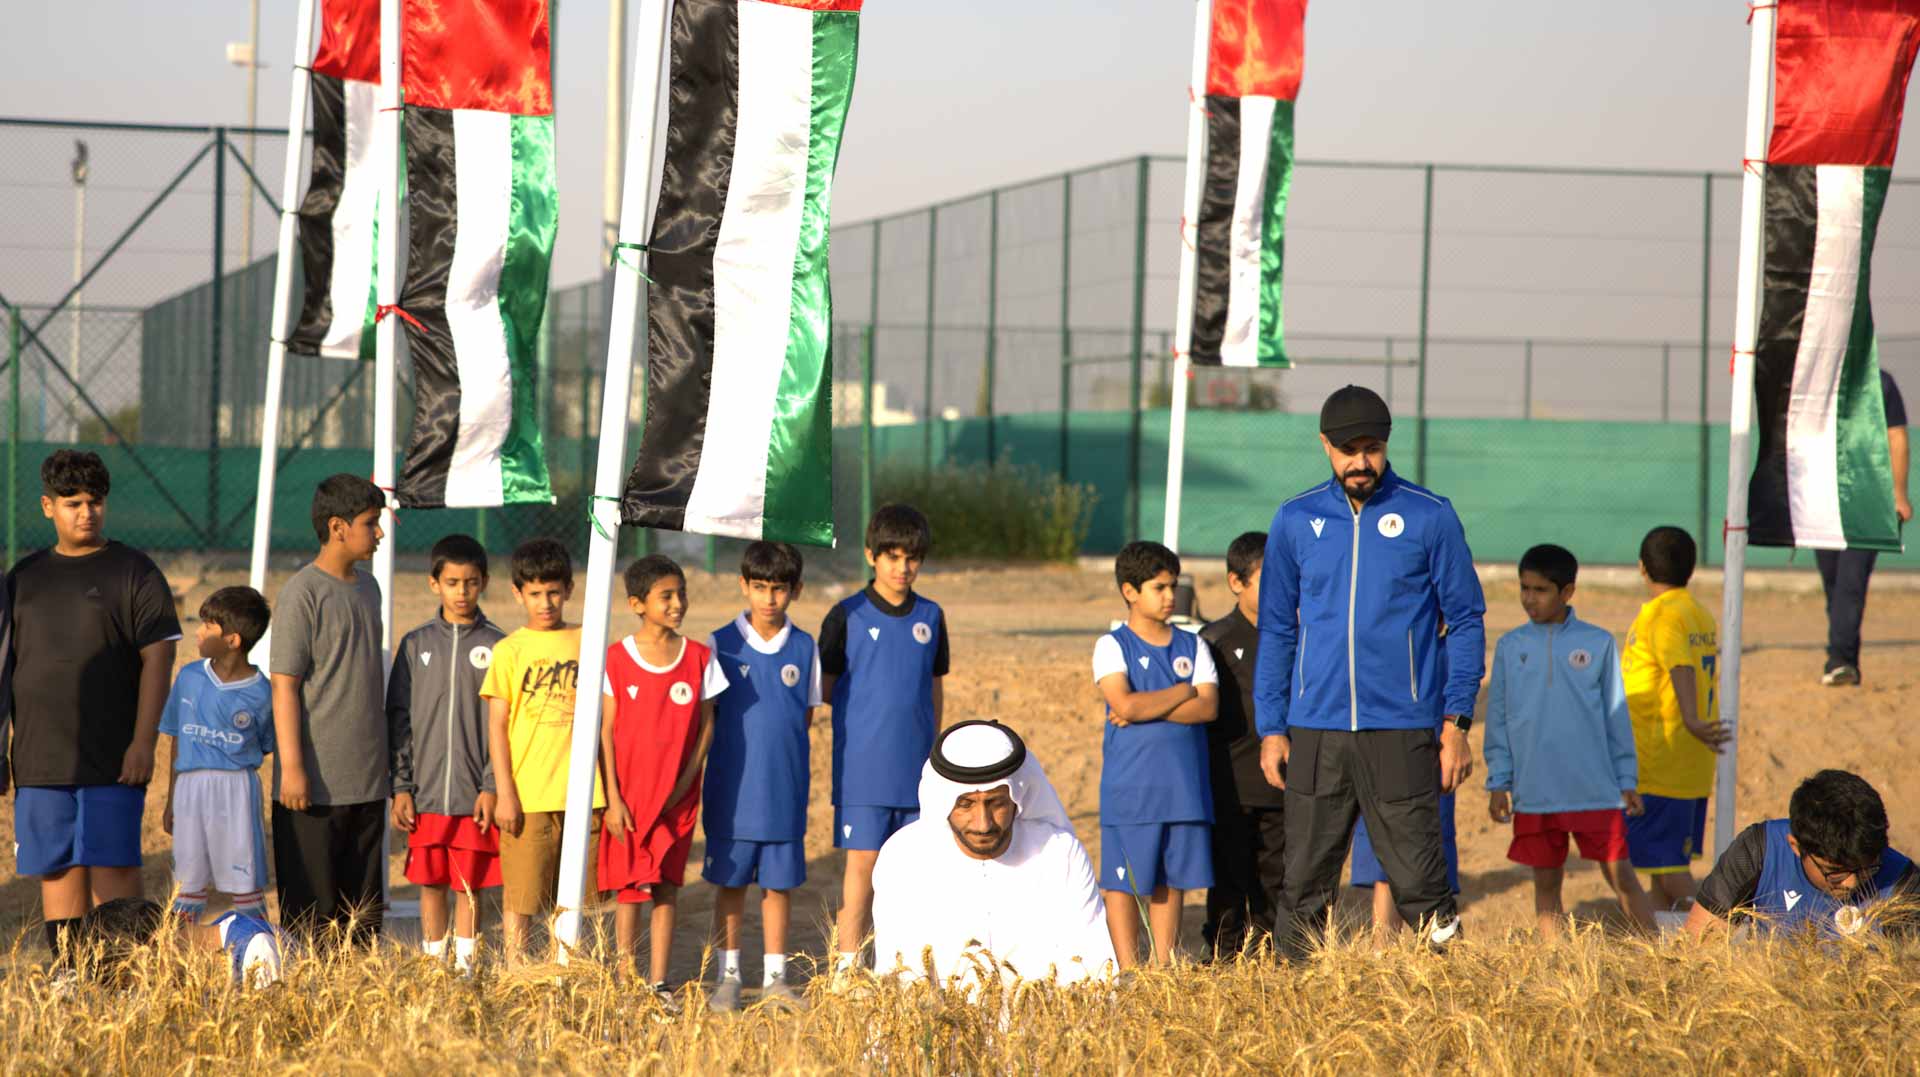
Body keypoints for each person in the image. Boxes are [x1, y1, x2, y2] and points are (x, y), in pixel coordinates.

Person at [1254, 385, 1486, 959]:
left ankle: (1456, 995)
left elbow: (1466, 620)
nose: (1360, 462)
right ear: (1324, 446)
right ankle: (1291, 1010)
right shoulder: (1294, 519)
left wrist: (1455, 724)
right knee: (1303, 884)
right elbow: (1278, 629)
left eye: (1372, 448)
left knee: (1422, 885)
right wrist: (1272, 727)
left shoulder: (1429, 516)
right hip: (1316, 731)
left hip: (1401, 730)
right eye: (1347, 449)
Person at [5, 450, 181, 969]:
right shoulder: (24, 578)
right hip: (40, 757)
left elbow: (159, 659)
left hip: (113, 755)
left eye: (96, 501)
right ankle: (69, 974)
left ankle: (126, 971)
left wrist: (143, 742)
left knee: (115, 867)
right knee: (56, 870)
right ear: (46, 506)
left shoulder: (135, 571)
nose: (87, 512)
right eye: (73, 502)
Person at [1483, 545, 1655, 936]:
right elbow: (1498, 721)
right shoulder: (1510, 647)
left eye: (1541, 590)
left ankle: (1661, 958)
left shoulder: (1597, 644)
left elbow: (1616, 716)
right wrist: (1499, 782)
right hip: (1536, 792)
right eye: (1524, 588)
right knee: (1546, 887)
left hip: (1593, 790)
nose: (1529, 598)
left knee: (1622, 878)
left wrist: (1626, 779)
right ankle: (1555, 972)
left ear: (1568, 592)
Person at [872, 720, 1115, 990]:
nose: (983, 823)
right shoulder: (904, 858)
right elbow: (901, 980)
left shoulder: (1060, 853)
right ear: (944, 801)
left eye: (996, 803)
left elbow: (1090, 968)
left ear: (1017, 798)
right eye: (965, 804)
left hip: (1047, 1027)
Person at [820, 503, 949, 973]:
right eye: (893, 556)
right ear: (872, 556)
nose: (903, 567)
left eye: (912, 557)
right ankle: (846, 969)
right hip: (863, 772)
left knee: (912, 873)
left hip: (915, 772)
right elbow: (828, 686)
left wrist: (932, 751)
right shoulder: (846, 614)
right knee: (863, 871)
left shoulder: (932, 617)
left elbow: (933, 688)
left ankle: (906, 965)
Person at [599, 554, 727, 1002]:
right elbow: (605, 732)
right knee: (630, 890)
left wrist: (686, 780)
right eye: (666, 596)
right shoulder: (616, 658)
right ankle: (622, 980)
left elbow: (707, 724)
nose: (677, 604)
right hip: (629, 801)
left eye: (681, 594)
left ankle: (658, 983)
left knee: (667, 887)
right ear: (637, 603)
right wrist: (613, 799)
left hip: (679, 800)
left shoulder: (699, 657)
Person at [703, 541, 823, 1010]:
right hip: (731, 791)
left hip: (783, 790)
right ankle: (728, 976)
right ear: (743, 586)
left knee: (779, 885)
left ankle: (776, 978)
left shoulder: (804, 645)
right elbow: (708, 717)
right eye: (759, 587)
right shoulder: (721, 643)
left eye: (778, 589)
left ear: (795, 590)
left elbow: (804, 717)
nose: (769, 598)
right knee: (730, 884)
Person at [270, 474, 389, 945]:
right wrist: (293, 770)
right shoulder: (303, 593)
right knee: (312, 923)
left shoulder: (370, 589)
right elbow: (284, 688)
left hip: (366, 782)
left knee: (360, 922)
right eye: (371, 523)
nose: (379, 533)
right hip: (314, 789)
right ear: (338, 527)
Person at [1095, 541, 1218, 968]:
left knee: (1171, 880)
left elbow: (1208, 707)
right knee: (1125, 882)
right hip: (1132, 788)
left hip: (1183, 788)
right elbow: (1124, 705)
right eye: (1159, 588)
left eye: (1173, 586)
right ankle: (1129, 968)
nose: (1170, 597)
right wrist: (1182, 692)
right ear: (1130, 591)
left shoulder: (1194, 645)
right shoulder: (1111, 646)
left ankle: (1162, 966)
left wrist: (1150, 704)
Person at [387, 534, 506, 972]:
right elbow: (399, 720)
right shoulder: (416, 644)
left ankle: (466, 969)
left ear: (484, 583)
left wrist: (491, 786)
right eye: (452, 582)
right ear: (434, 583)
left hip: (474, 793)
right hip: (426, 794)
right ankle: (435, 965)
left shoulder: (499, 645)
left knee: (468, 884)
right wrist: (401, 786)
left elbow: (505, 727)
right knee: (431, 881)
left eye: (471, 582)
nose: (462, 592)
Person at [482, 538, 601, 965]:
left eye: (553, 591)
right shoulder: (509, 650)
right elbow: (497, 726)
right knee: (523, 891)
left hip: (584, 793)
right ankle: (517, 966)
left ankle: (562, 964)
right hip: (528, 795)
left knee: (572, 893)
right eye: (535, 593)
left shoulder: (589, 639)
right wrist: (506, 792)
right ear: (518, 594)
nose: (545, 602)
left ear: (569, 589)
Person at [1623, 526, 1727, 911]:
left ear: (1642, 568)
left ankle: (1717, 928)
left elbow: (1680, 666)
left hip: (1662, 760)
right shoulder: (1697, 612)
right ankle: (1662, 937)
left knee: (1669, 871)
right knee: (1661, 865)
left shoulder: (1661, 616)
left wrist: (1691, 718)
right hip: (1689, 760)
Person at [1686, 769, 1918, 939]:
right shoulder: (1758, 850)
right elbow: (1695, 954)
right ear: (1796, 847)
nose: (1851, 882)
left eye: (1868, 867)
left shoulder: (1904, 883)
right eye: (1835, 873)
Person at [162, 586, 275, 924]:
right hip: (189, 789)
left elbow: (265, 744)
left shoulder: (261, 691)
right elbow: (176, 739)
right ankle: (178, 960)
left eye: (208, 625)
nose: (197, 631)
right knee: (187, 884)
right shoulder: (190, 677)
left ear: (232, 640)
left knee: (245, 885)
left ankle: (258, 952)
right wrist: (171, 799)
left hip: (236, 789)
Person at [1199, 531, 1284, 957]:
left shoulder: (1296, 635)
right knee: (1229, 879)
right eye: (1268, 578)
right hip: (1229, 785)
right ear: (1237, 582)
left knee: (1277, 878)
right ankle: (1222, 957)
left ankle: (1269, 958)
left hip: (1283, 785)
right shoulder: (1211, 640)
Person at [1817, 370, 1910, 687]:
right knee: (1833, 581)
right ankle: (1845, 658)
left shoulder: (1881, 383)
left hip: (1870, 500)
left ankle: (1840, 659)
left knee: (1851, 582)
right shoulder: (1819, 379)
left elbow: (1896, 436)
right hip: (1824, 501)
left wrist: (1898, 493)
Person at [68, 896, 286, 990]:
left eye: (143, 980)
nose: (152, 989)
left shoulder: (258, 951)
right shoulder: (224, 937)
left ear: (154, 945)